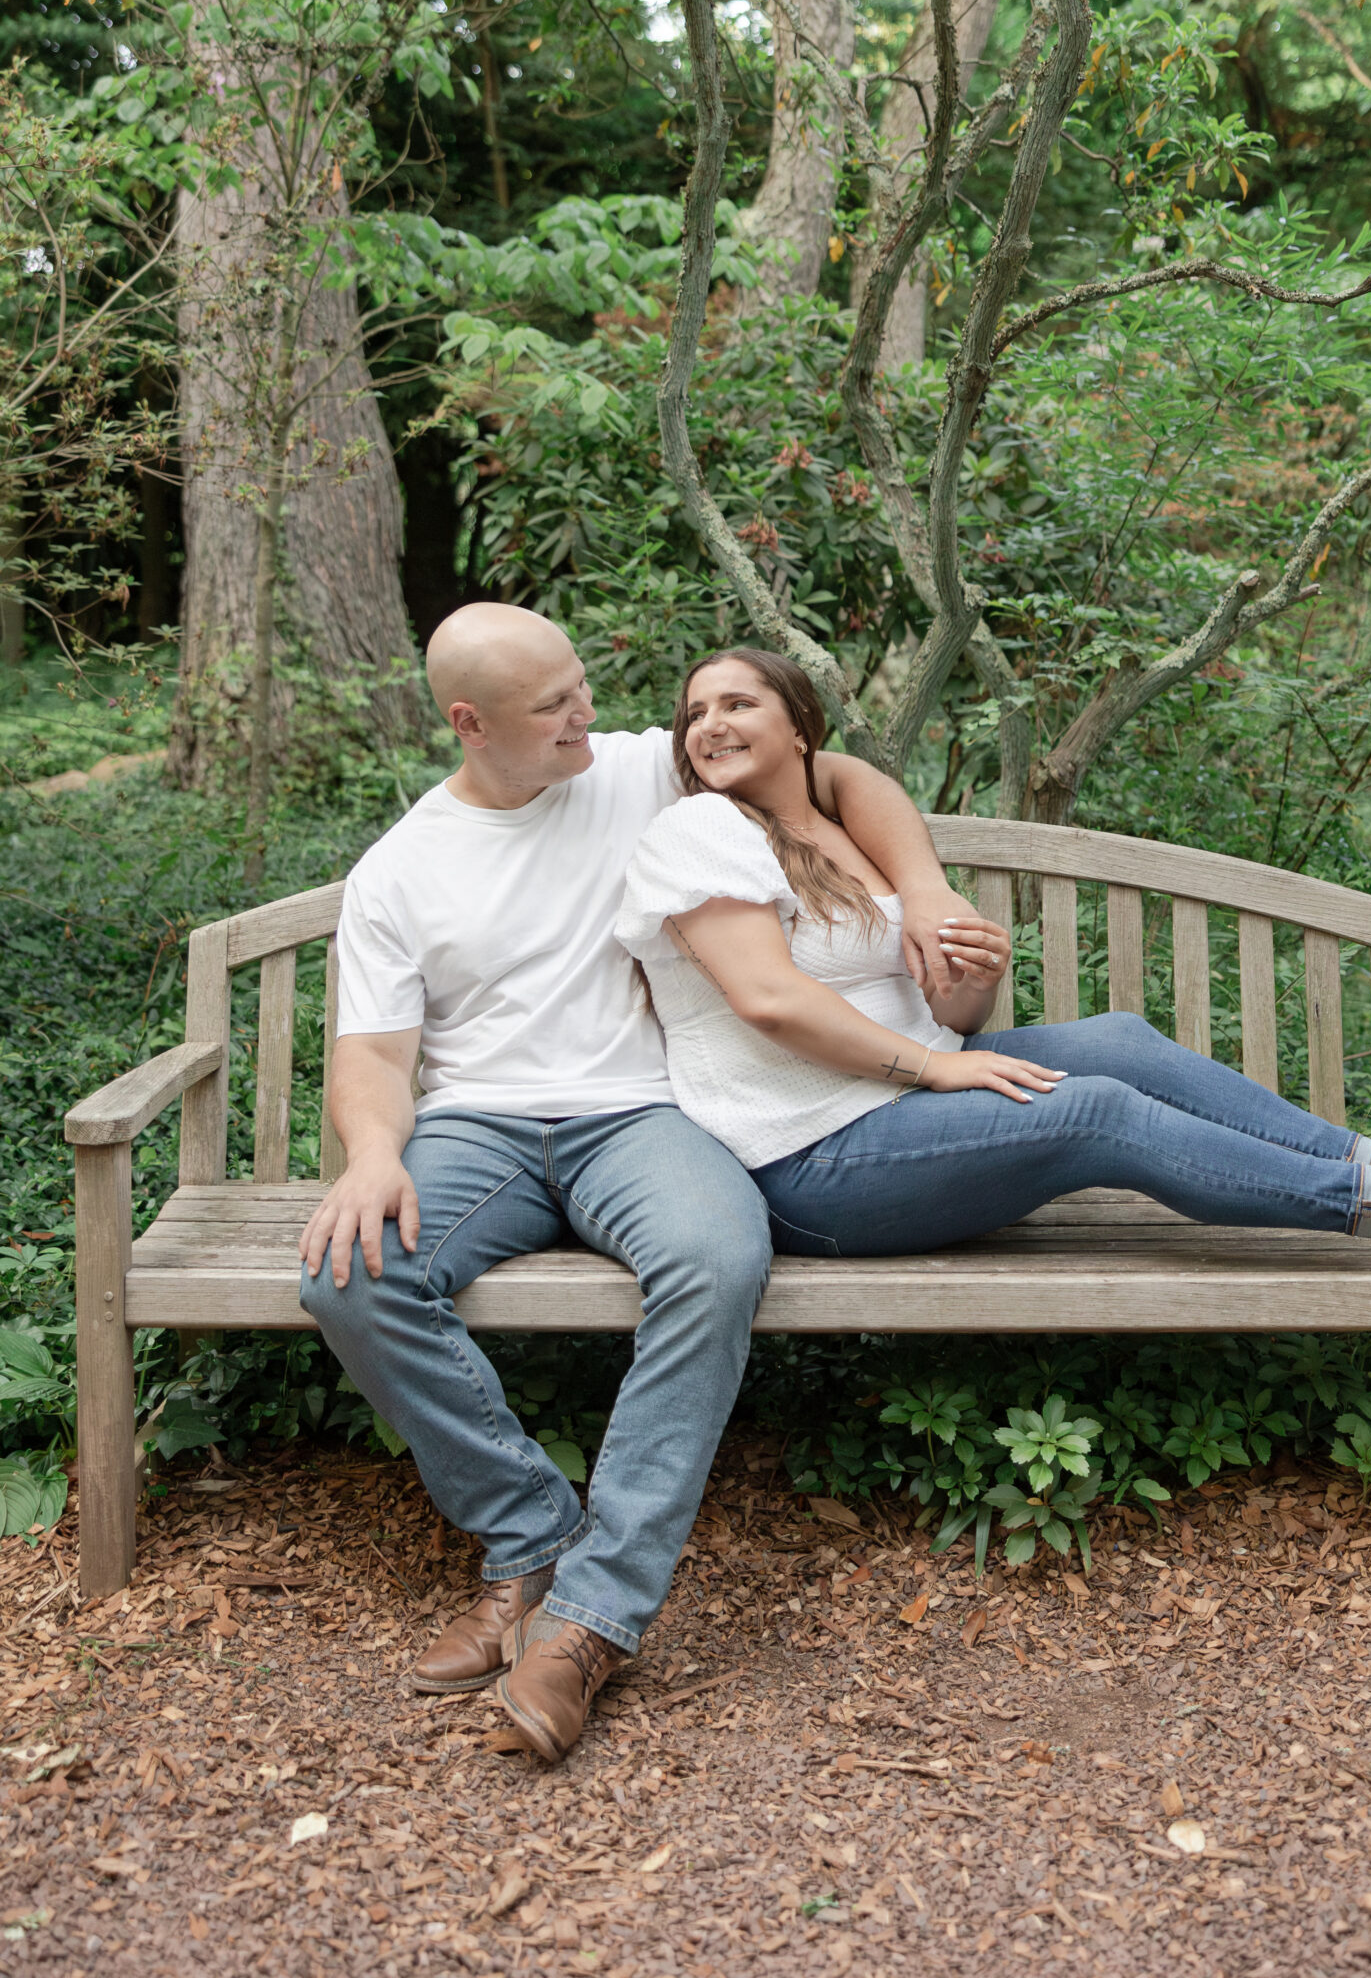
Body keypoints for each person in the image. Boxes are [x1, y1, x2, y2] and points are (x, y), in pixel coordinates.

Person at [298, 605, 969, 1765]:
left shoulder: (632, 770)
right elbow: (371, 1056)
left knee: (716, 1256)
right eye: (555, 702)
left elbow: (836, 766)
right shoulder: (399, 868)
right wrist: (372, 1155)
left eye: (581, 684)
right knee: (348, 1274)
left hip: (645, 1114)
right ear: (473, 723)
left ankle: (591, 1621)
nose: (588, 713)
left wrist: (929, 890)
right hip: (479, 1128)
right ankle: (528, 1538)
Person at [616, 647, 1371, 1275]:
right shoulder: (698, 828)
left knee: (1117, 1042)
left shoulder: (835, 817)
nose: (709, 724)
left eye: (738, 703)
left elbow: (952, 1021)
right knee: (1091, 1111)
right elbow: (770, 1000)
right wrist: (943, 1067)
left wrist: (964, 987)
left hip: (900, 1114)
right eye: (694, 713)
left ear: (800, 729)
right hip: (807, 1164)